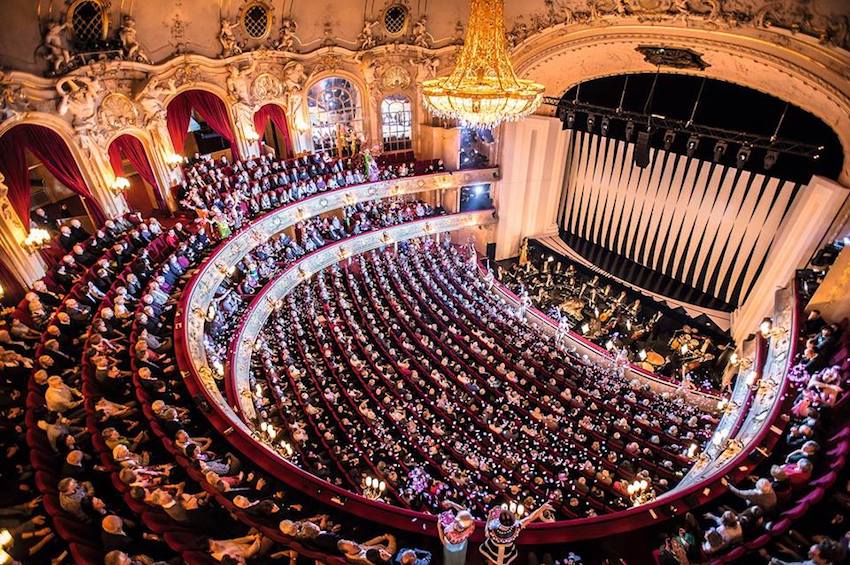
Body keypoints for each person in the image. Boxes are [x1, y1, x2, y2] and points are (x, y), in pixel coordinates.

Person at [480, 503, 552, 564]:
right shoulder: (516, 527)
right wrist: (542, 508)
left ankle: (492, 561)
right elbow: (530, 518)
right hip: (507, 553)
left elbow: (486, 533)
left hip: (492, 550)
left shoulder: (492, 527)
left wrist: (489, 517)